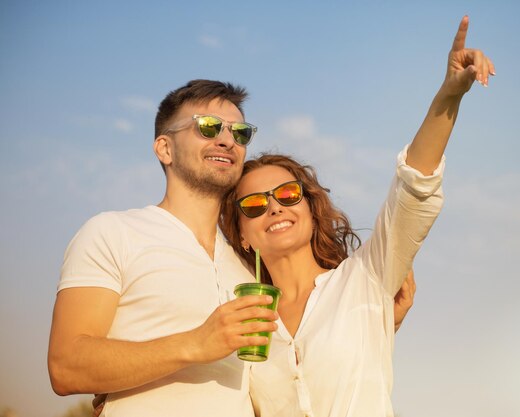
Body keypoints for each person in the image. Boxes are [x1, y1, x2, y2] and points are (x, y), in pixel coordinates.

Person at [48, 80, 417, 416]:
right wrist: (195, 344)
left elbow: (288, 377)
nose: (227, 140)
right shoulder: (113, 232)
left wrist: (374, 322)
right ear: (165, 148)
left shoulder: (251, 275)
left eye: (239, 133)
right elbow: (66, 367)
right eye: (208, 127)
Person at [218, 15, 494, 417]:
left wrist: (449, 95)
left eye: (288, 194)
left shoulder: (365, 280)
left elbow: (413, 189)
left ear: (311, 208)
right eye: (255, 204)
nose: (274, 207)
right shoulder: (243, 323)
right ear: (242, 234)